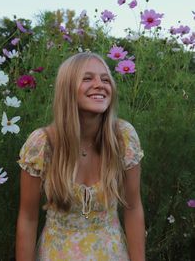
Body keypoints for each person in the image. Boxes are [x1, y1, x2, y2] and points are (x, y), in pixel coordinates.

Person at [16, 52, 145, 261]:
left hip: (113, 254)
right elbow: (28, 219)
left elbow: (133, 207)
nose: (100, 84)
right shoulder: (42, 144)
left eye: (105, 79)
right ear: (67, 89)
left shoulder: (123, 138)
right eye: (87, 78)